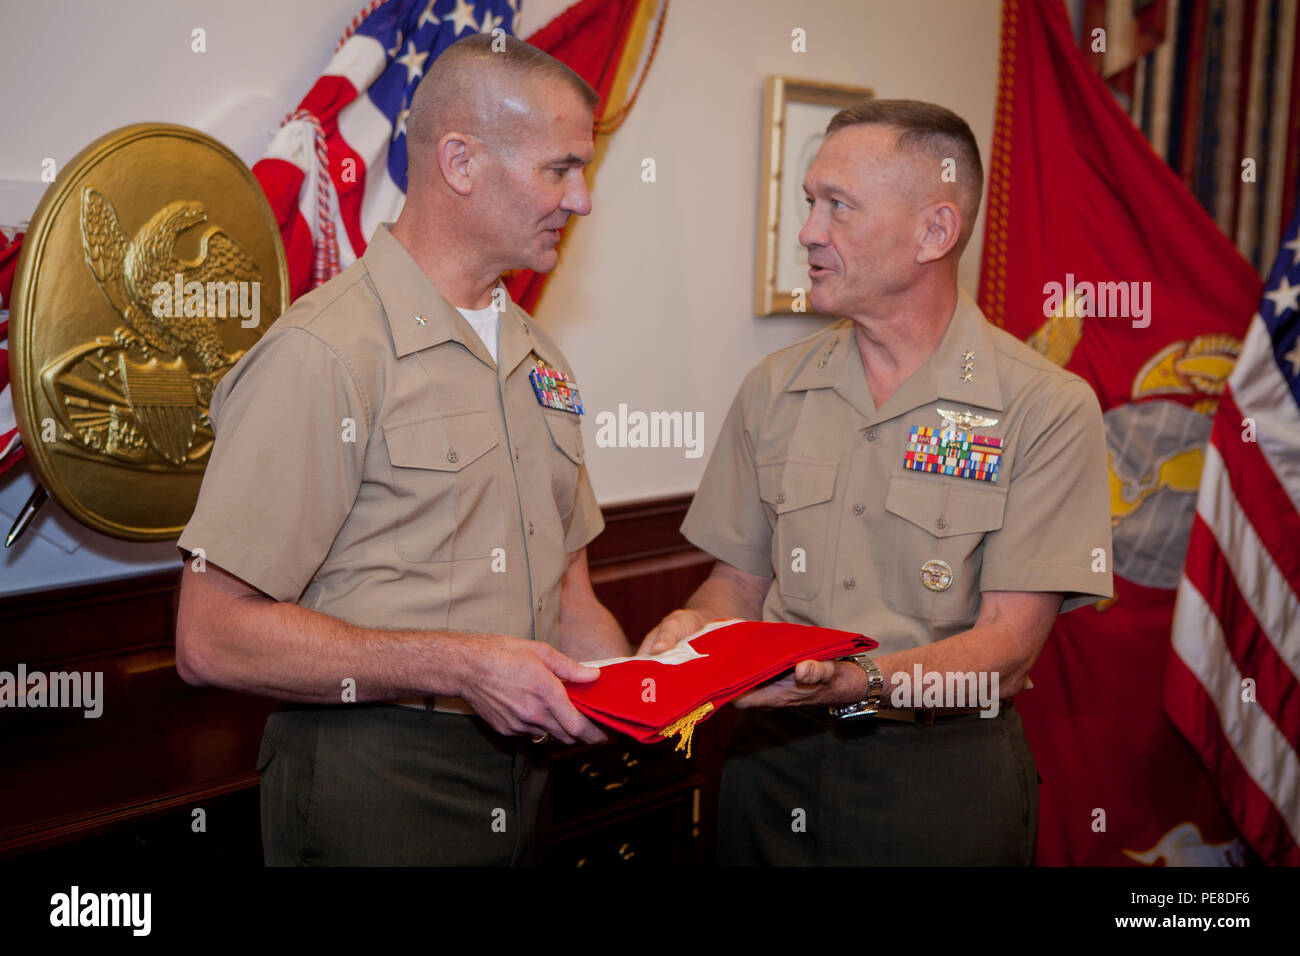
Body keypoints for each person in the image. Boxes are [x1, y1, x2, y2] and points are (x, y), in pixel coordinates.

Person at [174, 34, 630, 866]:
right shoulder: (327, 350)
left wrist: (644, 686)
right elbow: (211, 639)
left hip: (523, 778)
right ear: (461, 161)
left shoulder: (539, 357)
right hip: (374, 780)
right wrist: (455, 667)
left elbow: (573, 601)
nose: (583, 198)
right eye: (559, 169)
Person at [640, 100, 1114, 865]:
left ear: (935, 232)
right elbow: (736, 582)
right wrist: (692, 632)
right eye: (809, 203)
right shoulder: (776, 386)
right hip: (770, 762)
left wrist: (854, 682)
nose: (808, 233)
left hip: (937, 775)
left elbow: (1010, 647)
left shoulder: (1043, 406)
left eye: (839, 207)